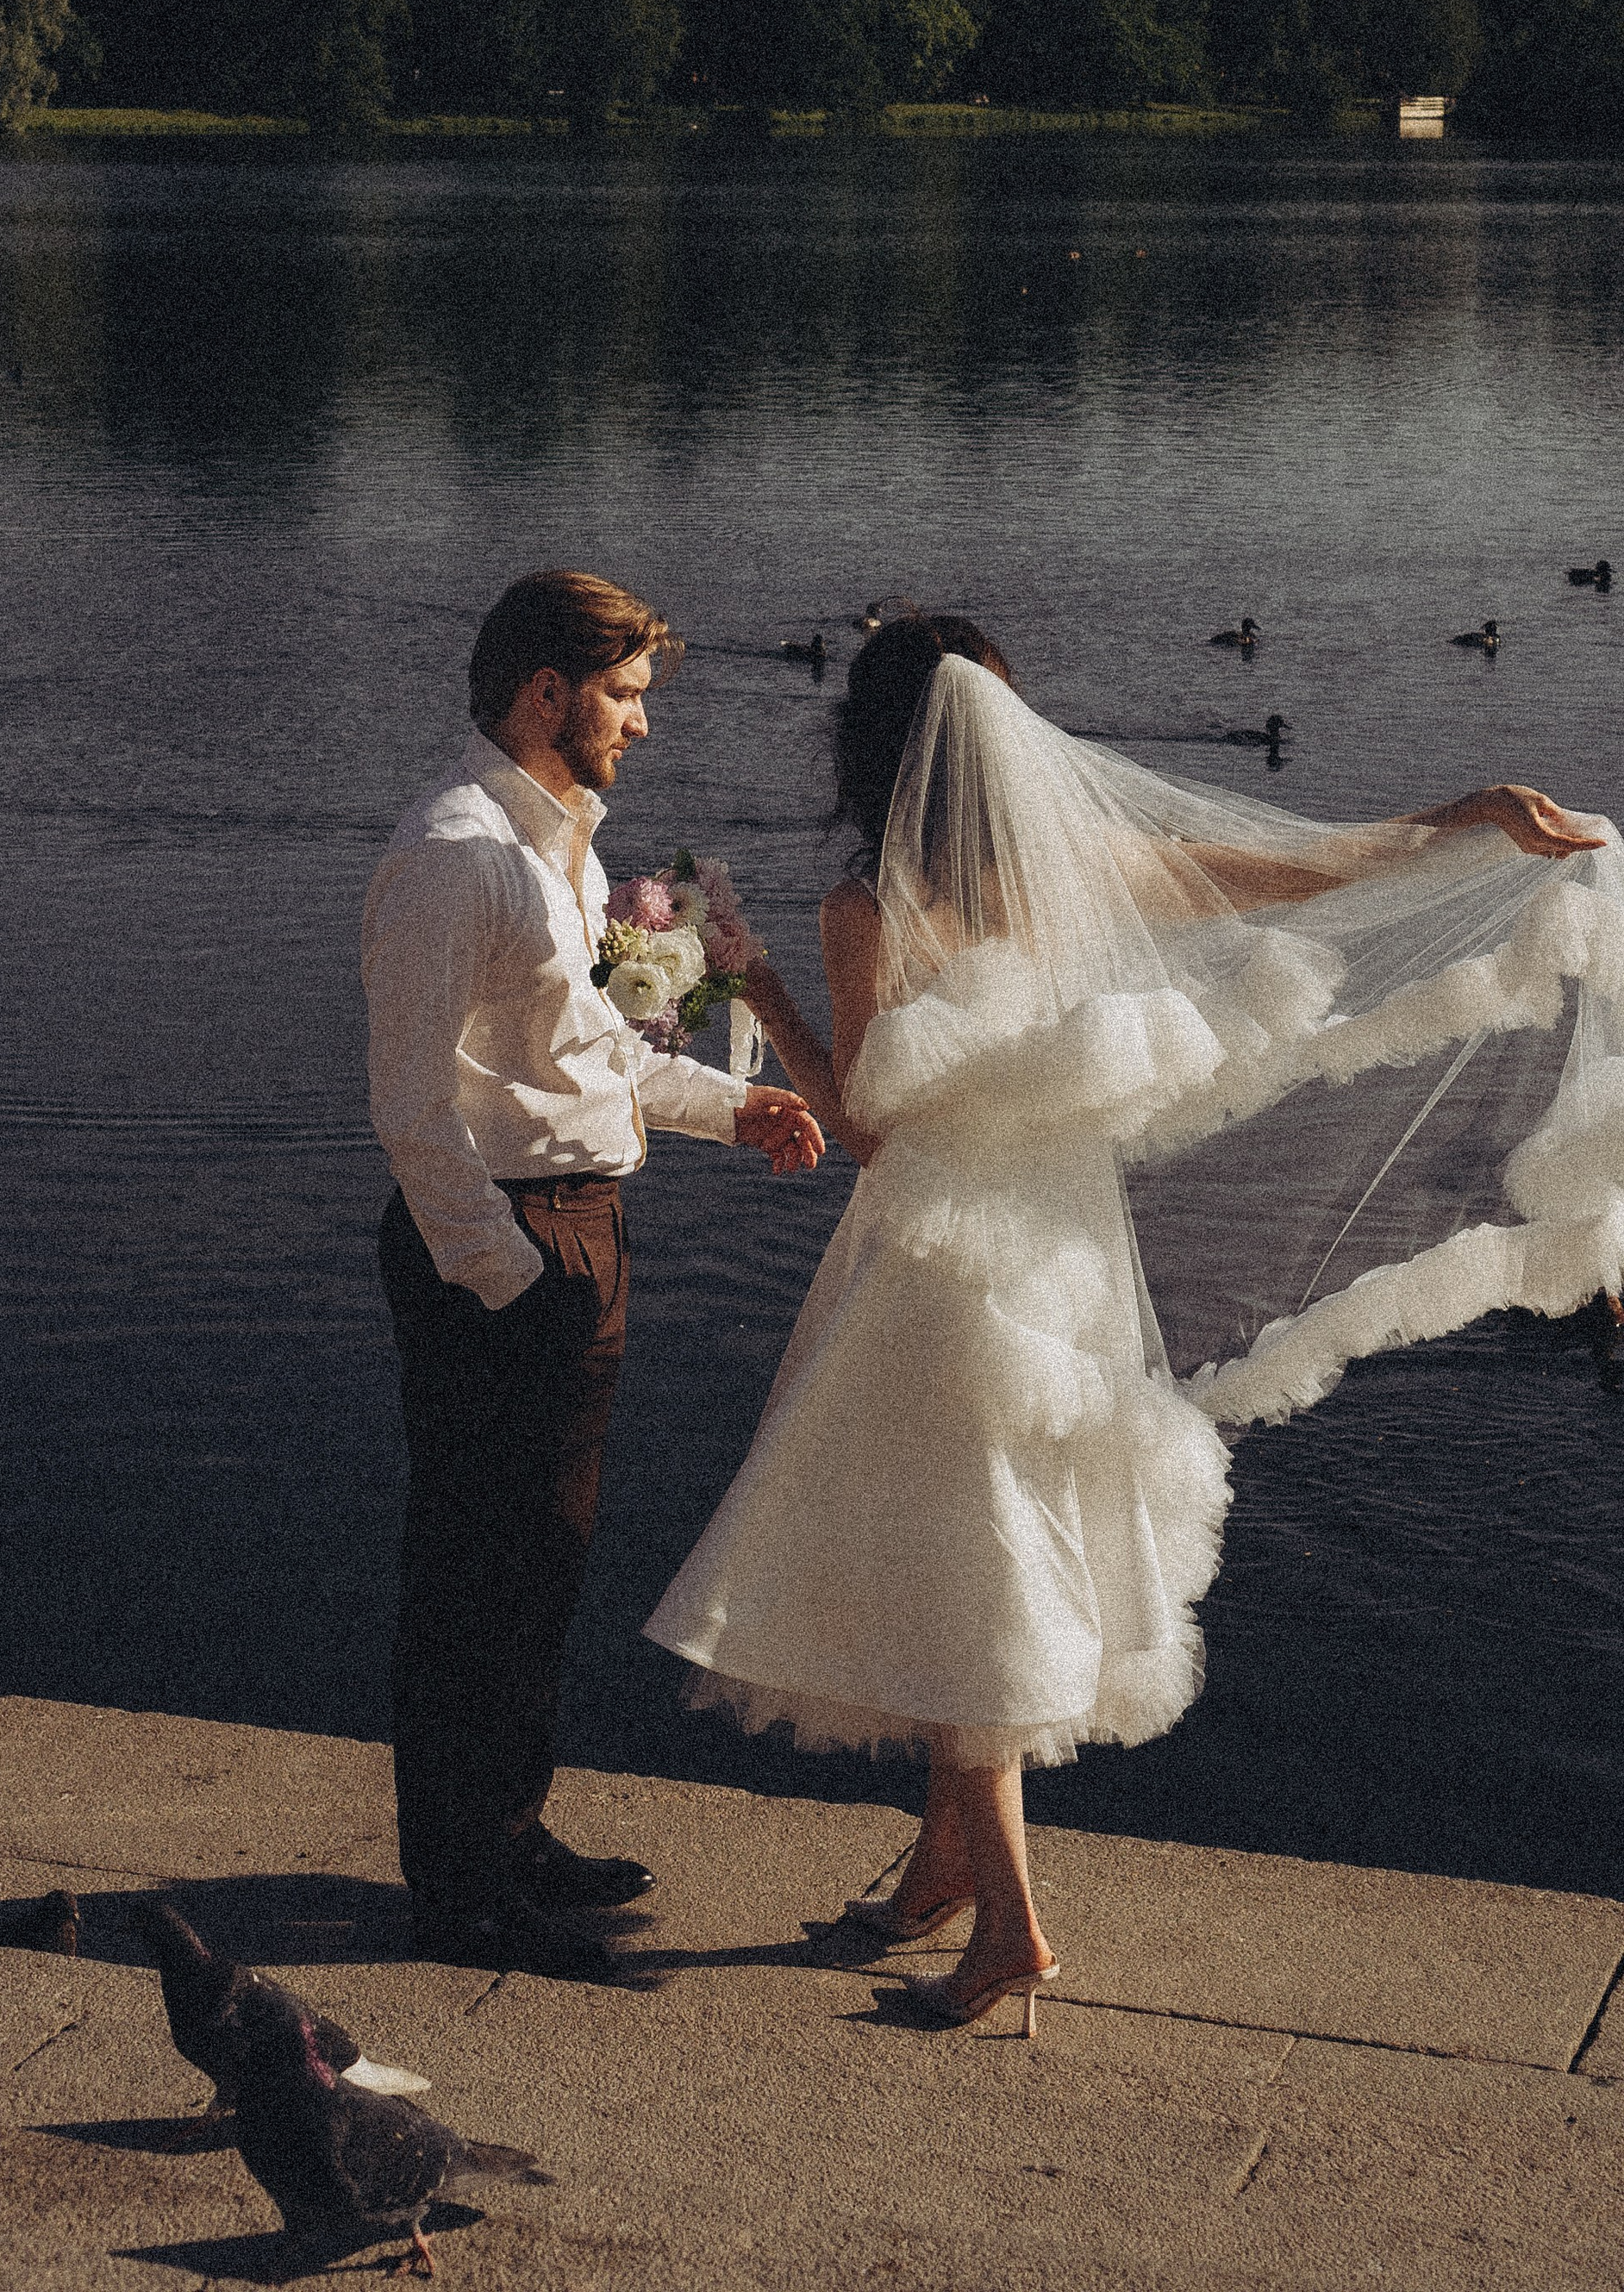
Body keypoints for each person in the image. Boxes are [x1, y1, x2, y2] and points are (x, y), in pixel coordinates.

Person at [646, 611, 1611, 2033]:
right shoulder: (1077, 868)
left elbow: (868, 1131)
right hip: (1069, 1273)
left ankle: (1010, 1931)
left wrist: (765, 991)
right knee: (989, 1539)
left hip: (939, 1274)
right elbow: (1312, 866)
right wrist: (1464, 816)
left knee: (972, 1566)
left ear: (873, 753)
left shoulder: (870, 911)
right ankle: (940, 1871)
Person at [364, 569, 825, 1983]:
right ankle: (460, 1896)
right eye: (623, 695)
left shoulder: (554, 846)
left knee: (540, 1566)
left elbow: (590, 1057)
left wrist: (730, 1108)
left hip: (573, 1227)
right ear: (545, 692)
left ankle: (508, 1837)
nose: (641, 721)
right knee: (474, 1576)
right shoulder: (458, 855)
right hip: (505, 1246)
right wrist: (507, 1280)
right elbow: (410, 1109)